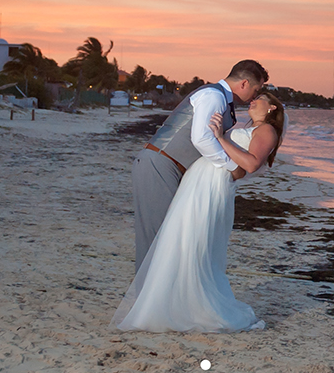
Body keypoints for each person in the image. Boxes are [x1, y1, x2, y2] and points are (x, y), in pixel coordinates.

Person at [112, 91, 287, 332]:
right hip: (200, 181)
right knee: (182, 238)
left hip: (212, 185)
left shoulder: (267, 130)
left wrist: (219, 138)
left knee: (194, 240)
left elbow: (251, 163)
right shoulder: (253, 128)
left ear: (272, 108)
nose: (253, 101)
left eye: (260, 99)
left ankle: (192, 305)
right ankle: (175, 301)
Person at [130, 60, 268, 271]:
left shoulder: (222, 99)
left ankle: (164, 299)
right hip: (159, 164)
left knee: (171, 240)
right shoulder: (213, 96)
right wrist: (232, 167)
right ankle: (146, 302)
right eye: (256, 90)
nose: (255, 96)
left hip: (172, 169)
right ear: (244, 83)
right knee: (156, 240)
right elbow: (202, 139)